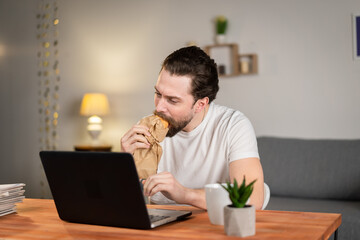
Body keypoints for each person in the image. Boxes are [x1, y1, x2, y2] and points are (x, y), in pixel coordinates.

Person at [121, 46, 264, 210]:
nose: (159, 107)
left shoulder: (233, 125)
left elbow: (253, 197)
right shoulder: (146, 130)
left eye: (172, 100)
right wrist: (124, 164)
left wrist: (183, 194)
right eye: (158, 94)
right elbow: (127, 204)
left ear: (200, 104)